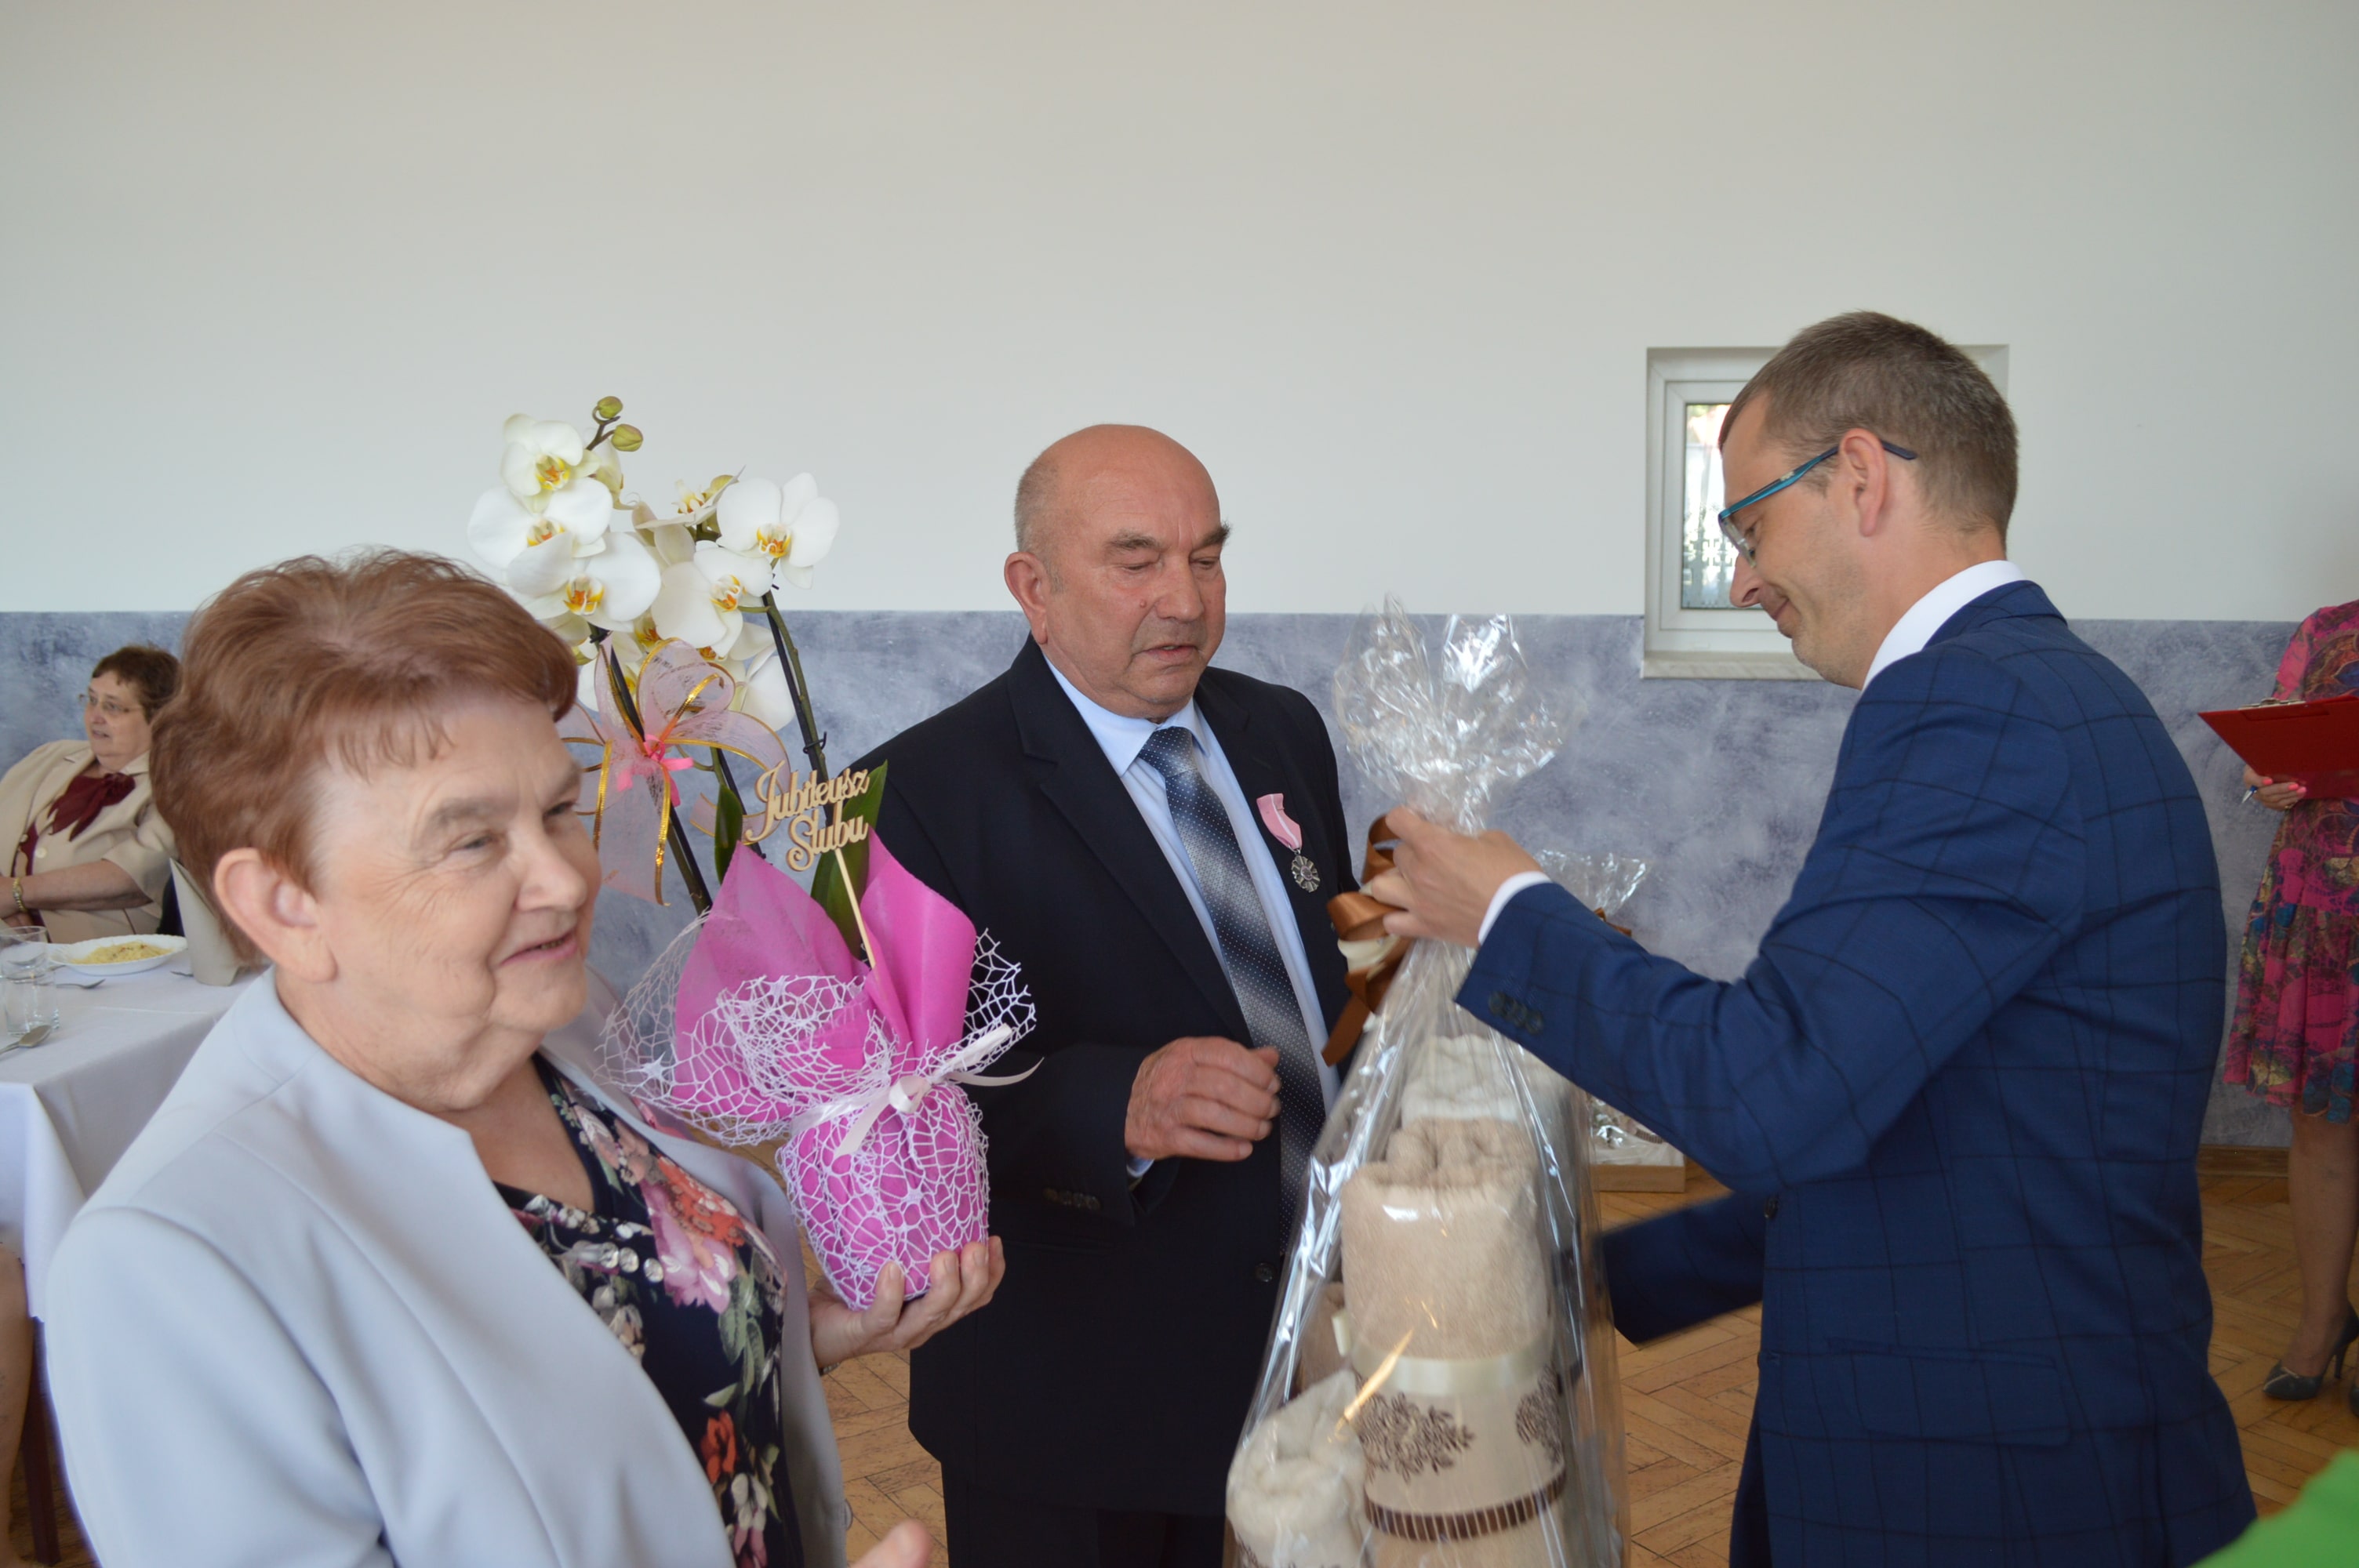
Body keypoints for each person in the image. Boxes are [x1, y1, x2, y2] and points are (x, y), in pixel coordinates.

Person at [1367, 313, 2255, 1566]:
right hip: (2017, 1426)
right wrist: (1602, 1277)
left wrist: (1510, 912)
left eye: (1748, 528)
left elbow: (1777, 1091)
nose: (1741, 580)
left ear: (1861, 476)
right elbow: (1915, 1119)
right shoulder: (2042, 695)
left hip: (1995, 1485)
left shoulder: (1978, 707)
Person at [43, 552, 997, 1568]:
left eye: (556, 810)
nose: (565, 878)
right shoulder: (170, 1266)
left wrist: (791, 1337)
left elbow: (618, 1370)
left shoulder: (563, 1030)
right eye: (470, 842)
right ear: (283, 904)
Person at [849, 425, 1355, 1568]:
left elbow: (1318, 972)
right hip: (1076, 1402)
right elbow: (888, 1110)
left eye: (1207, 557)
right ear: (1033, 587)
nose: (1184, 598)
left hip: (1317, 1346)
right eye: (1137, 561)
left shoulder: (1281, 728)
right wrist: (1111, 1105)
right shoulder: (915, 793)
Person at [2222, 597, 2359, 1411]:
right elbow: (2270, 745)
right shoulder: (2326, 628)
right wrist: (2266, 781)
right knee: (2320, 1121)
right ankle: (2321, 1321)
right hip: (2320, 908)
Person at [0, 644, 180, 942]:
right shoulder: (51, 755)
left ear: (159, 718)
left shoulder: (177, 785)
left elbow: (132, 879)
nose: (95, 716)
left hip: (107, 956)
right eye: (92, 700)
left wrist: (16, 894)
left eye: (113, 707)